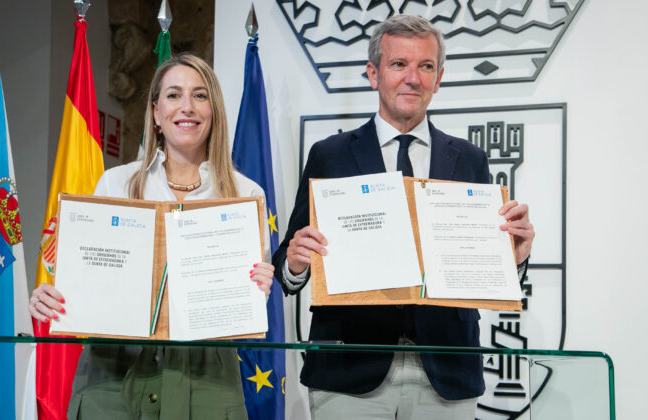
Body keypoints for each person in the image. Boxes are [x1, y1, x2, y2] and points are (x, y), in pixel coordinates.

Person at [272, 15, 535, 419]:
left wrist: (511, 258)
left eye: (425, 66)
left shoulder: (470, 159)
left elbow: (485, 270)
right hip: (349, 368)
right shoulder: (330, 155)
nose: (412, 78)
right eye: (399, 64)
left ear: (438, 78)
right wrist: (295, 264)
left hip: (447, 370)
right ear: (373, 73)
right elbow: (287, 267)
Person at [29, 53, 274, 419]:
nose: (187, 106)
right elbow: (87, 279)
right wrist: (53, 295)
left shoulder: (245, 193)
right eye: (174, 95)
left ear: (214, 111)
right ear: (156, 113)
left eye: (200, 95)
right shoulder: (116, 183)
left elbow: (247, 295)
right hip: (112, 373)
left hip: (207, 376)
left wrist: (259, 284)